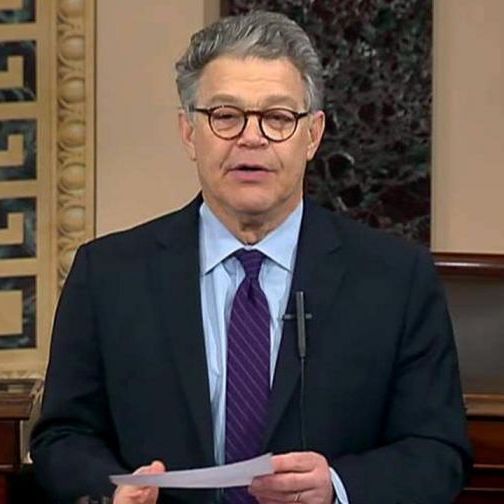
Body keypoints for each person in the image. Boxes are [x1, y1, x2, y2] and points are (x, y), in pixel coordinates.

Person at [31, 10, 471, 504]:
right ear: (188, 132)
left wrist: (336, 488)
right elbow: (62, 438)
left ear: (313, 135)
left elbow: (438, 451)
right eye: (226, 116)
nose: (252, 137)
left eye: (278, 118)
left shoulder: (395, 279)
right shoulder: (108, 275)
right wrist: (113, 490)